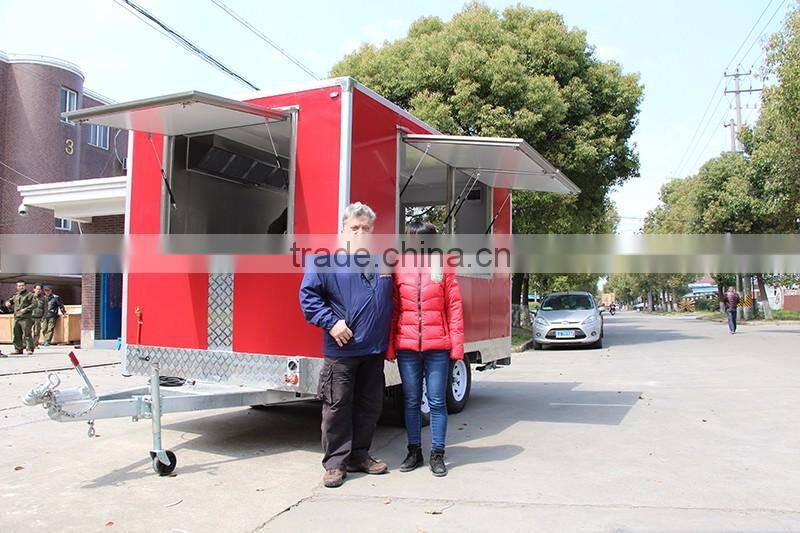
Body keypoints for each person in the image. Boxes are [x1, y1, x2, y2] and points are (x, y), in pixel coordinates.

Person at [299, 202, 394, 488]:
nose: (361, 232)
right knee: (337, 407)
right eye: (355, 227)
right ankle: (335, 463)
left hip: (373, 351)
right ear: (342, 230)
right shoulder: (323, 262)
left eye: (366, 228)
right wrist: (332, 322)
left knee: (369, 406)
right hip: (342, 351)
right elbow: (308, 298)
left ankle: (359, 455)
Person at [387, 220, 464, 477]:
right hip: (407, 347)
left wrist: (456, 347)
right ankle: (414, 451)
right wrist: (390, 345)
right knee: (410, 401)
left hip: (437, 347)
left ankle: (438, 454)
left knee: (437, 401)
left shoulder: (443, 266)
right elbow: (394, 309)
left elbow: (454, 308)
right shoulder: (399, 267)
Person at [7, 281, 35, 355]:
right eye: (19, 286)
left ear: (25, 286)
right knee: (17, 334)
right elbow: (10, 301)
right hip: (17, 317)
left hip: (26, 318)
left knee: (27, 334)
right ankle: (18, 349)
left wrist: (25, 309)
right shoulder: (16, 295)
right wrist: (8, 303)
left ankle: (29, 349)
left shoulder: (30, 295)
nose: (21, 287)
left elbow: (34, 304)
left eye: (22, 285)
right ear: (17, 287)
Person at [30, 284, 47, 349]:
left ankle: (35, 344)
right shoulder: (30, 297)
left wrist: (43, 317)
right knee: (27, 331)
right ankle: (27, 344)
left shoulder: (44, 298)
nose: (38, 290)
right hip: (29, 317)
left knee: (37, 331)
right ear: (34, 289)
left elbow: (45, 309)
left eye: (40, 289)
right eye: (37, 289)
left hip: (38, 317)